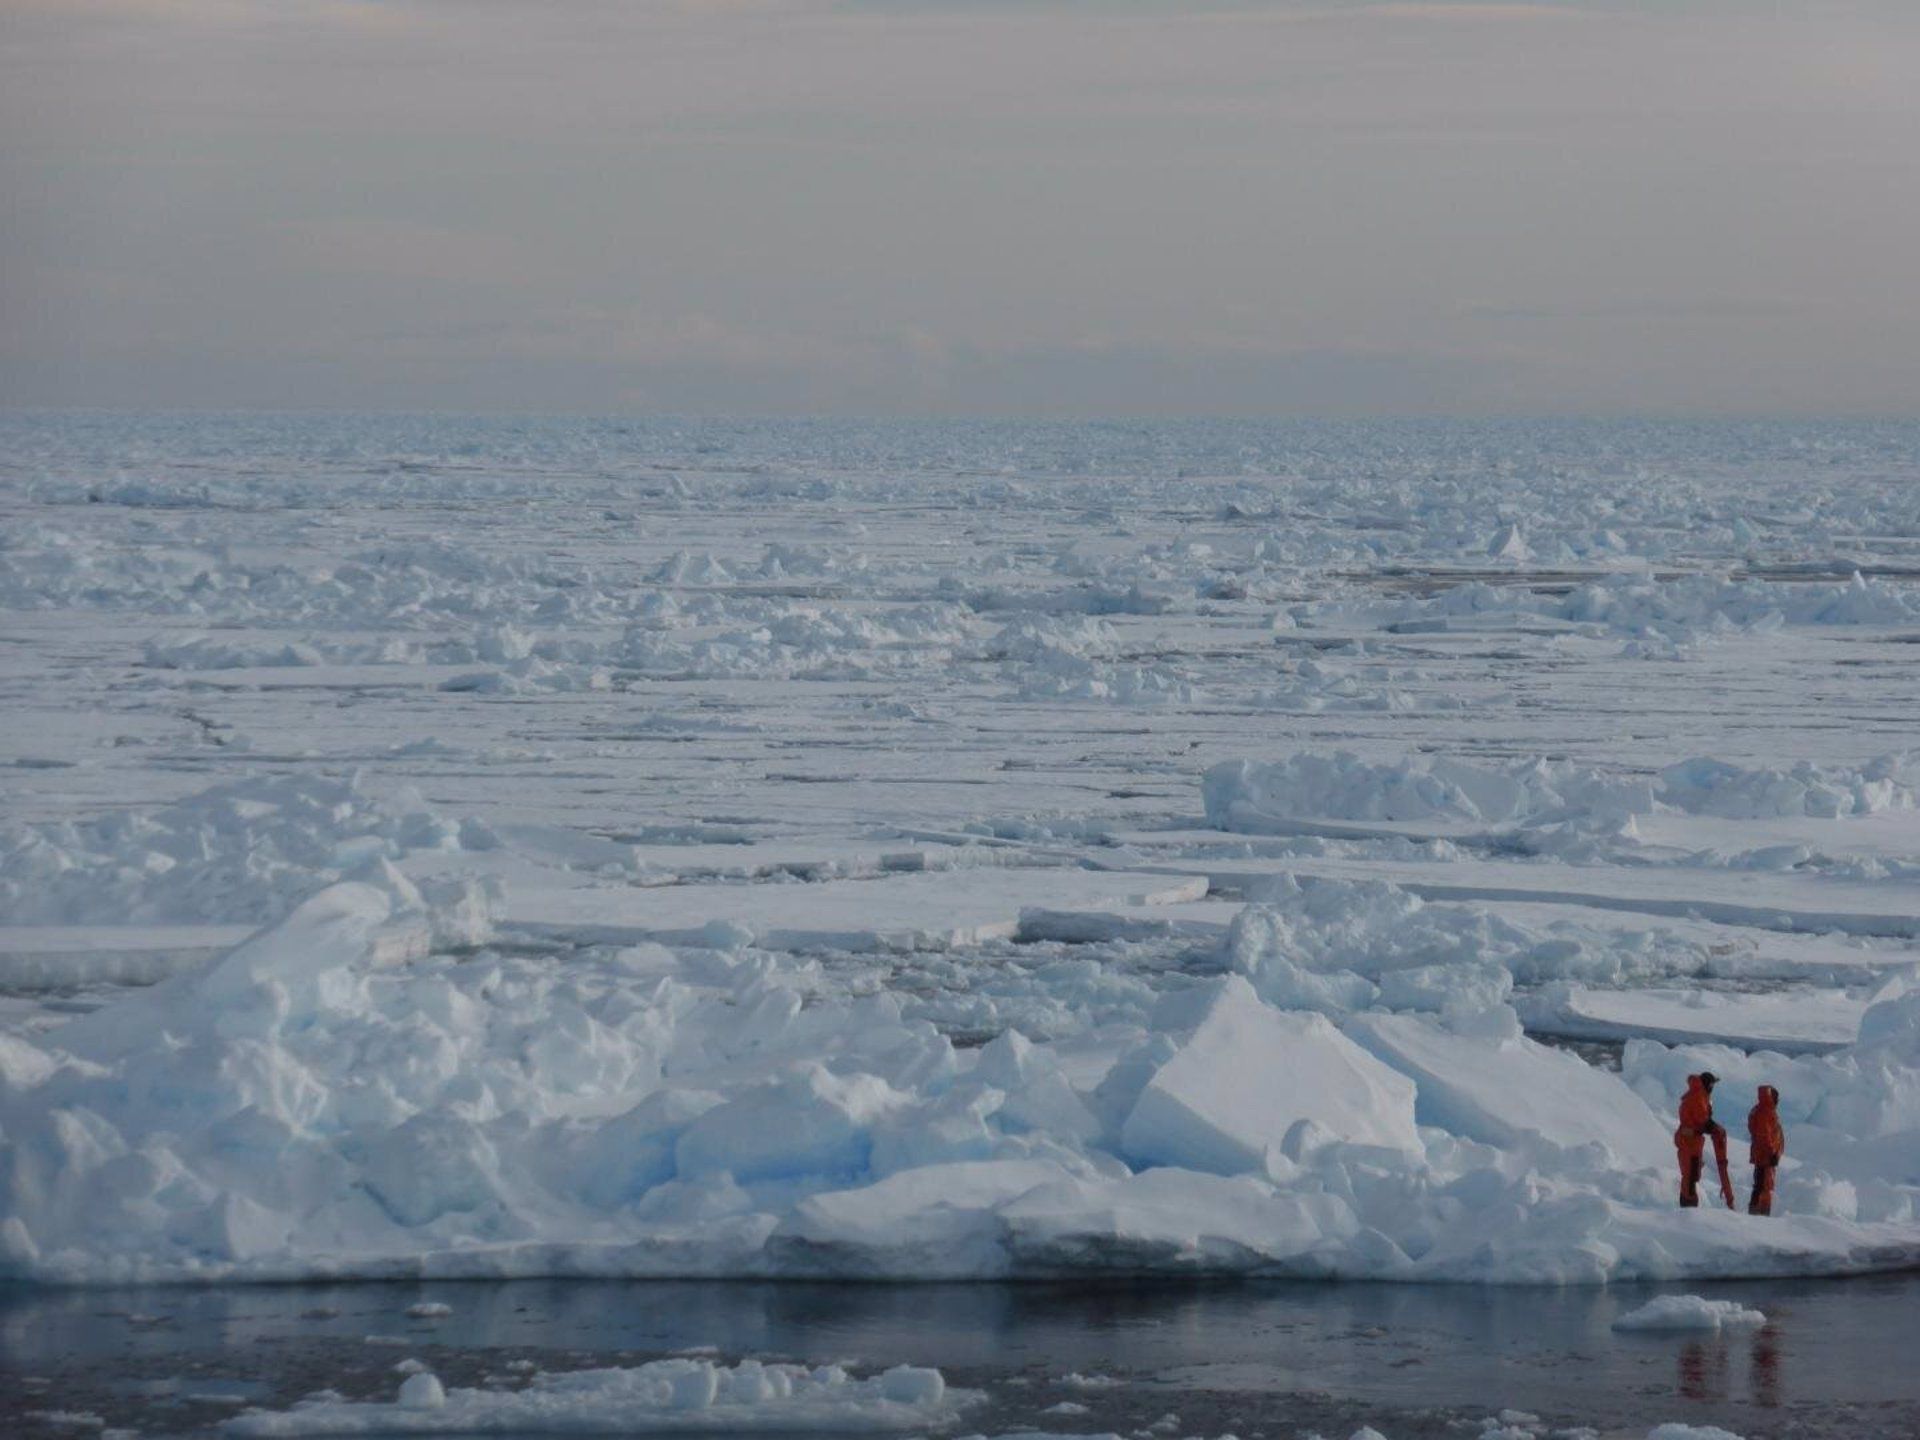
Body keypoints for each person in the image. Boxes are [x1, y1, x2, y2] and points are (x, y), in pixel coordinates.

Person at [1675, 1071, 1734, 1208]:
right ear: (1709, 1085)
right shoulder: (1698, 1096)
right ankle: (1688, 1210)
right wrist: (1715, 1128)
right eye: (1713, 1084)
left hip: (1691, 1142)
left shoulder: (1698, 1094)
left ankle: (1688, 1207)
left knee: (1691, 1175)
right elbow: (1703, 1121)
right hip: (1689, 1143)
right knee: (1690, 1177)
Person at [1747, 1084, 1784, 1216]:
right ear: (1772, 1097)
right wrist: (1772, 1152)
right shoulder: (1766, 1112)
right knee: (1763, 1186)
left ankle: (1759, 1213)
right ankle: (1759, 1215)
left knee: (1763, 1185)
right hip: (1765, 1157)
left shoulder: (1761, 1110)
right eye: (1777, 1098)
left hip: (1763, 1155)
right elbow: (1764, 1135)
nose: (1778, 1101)